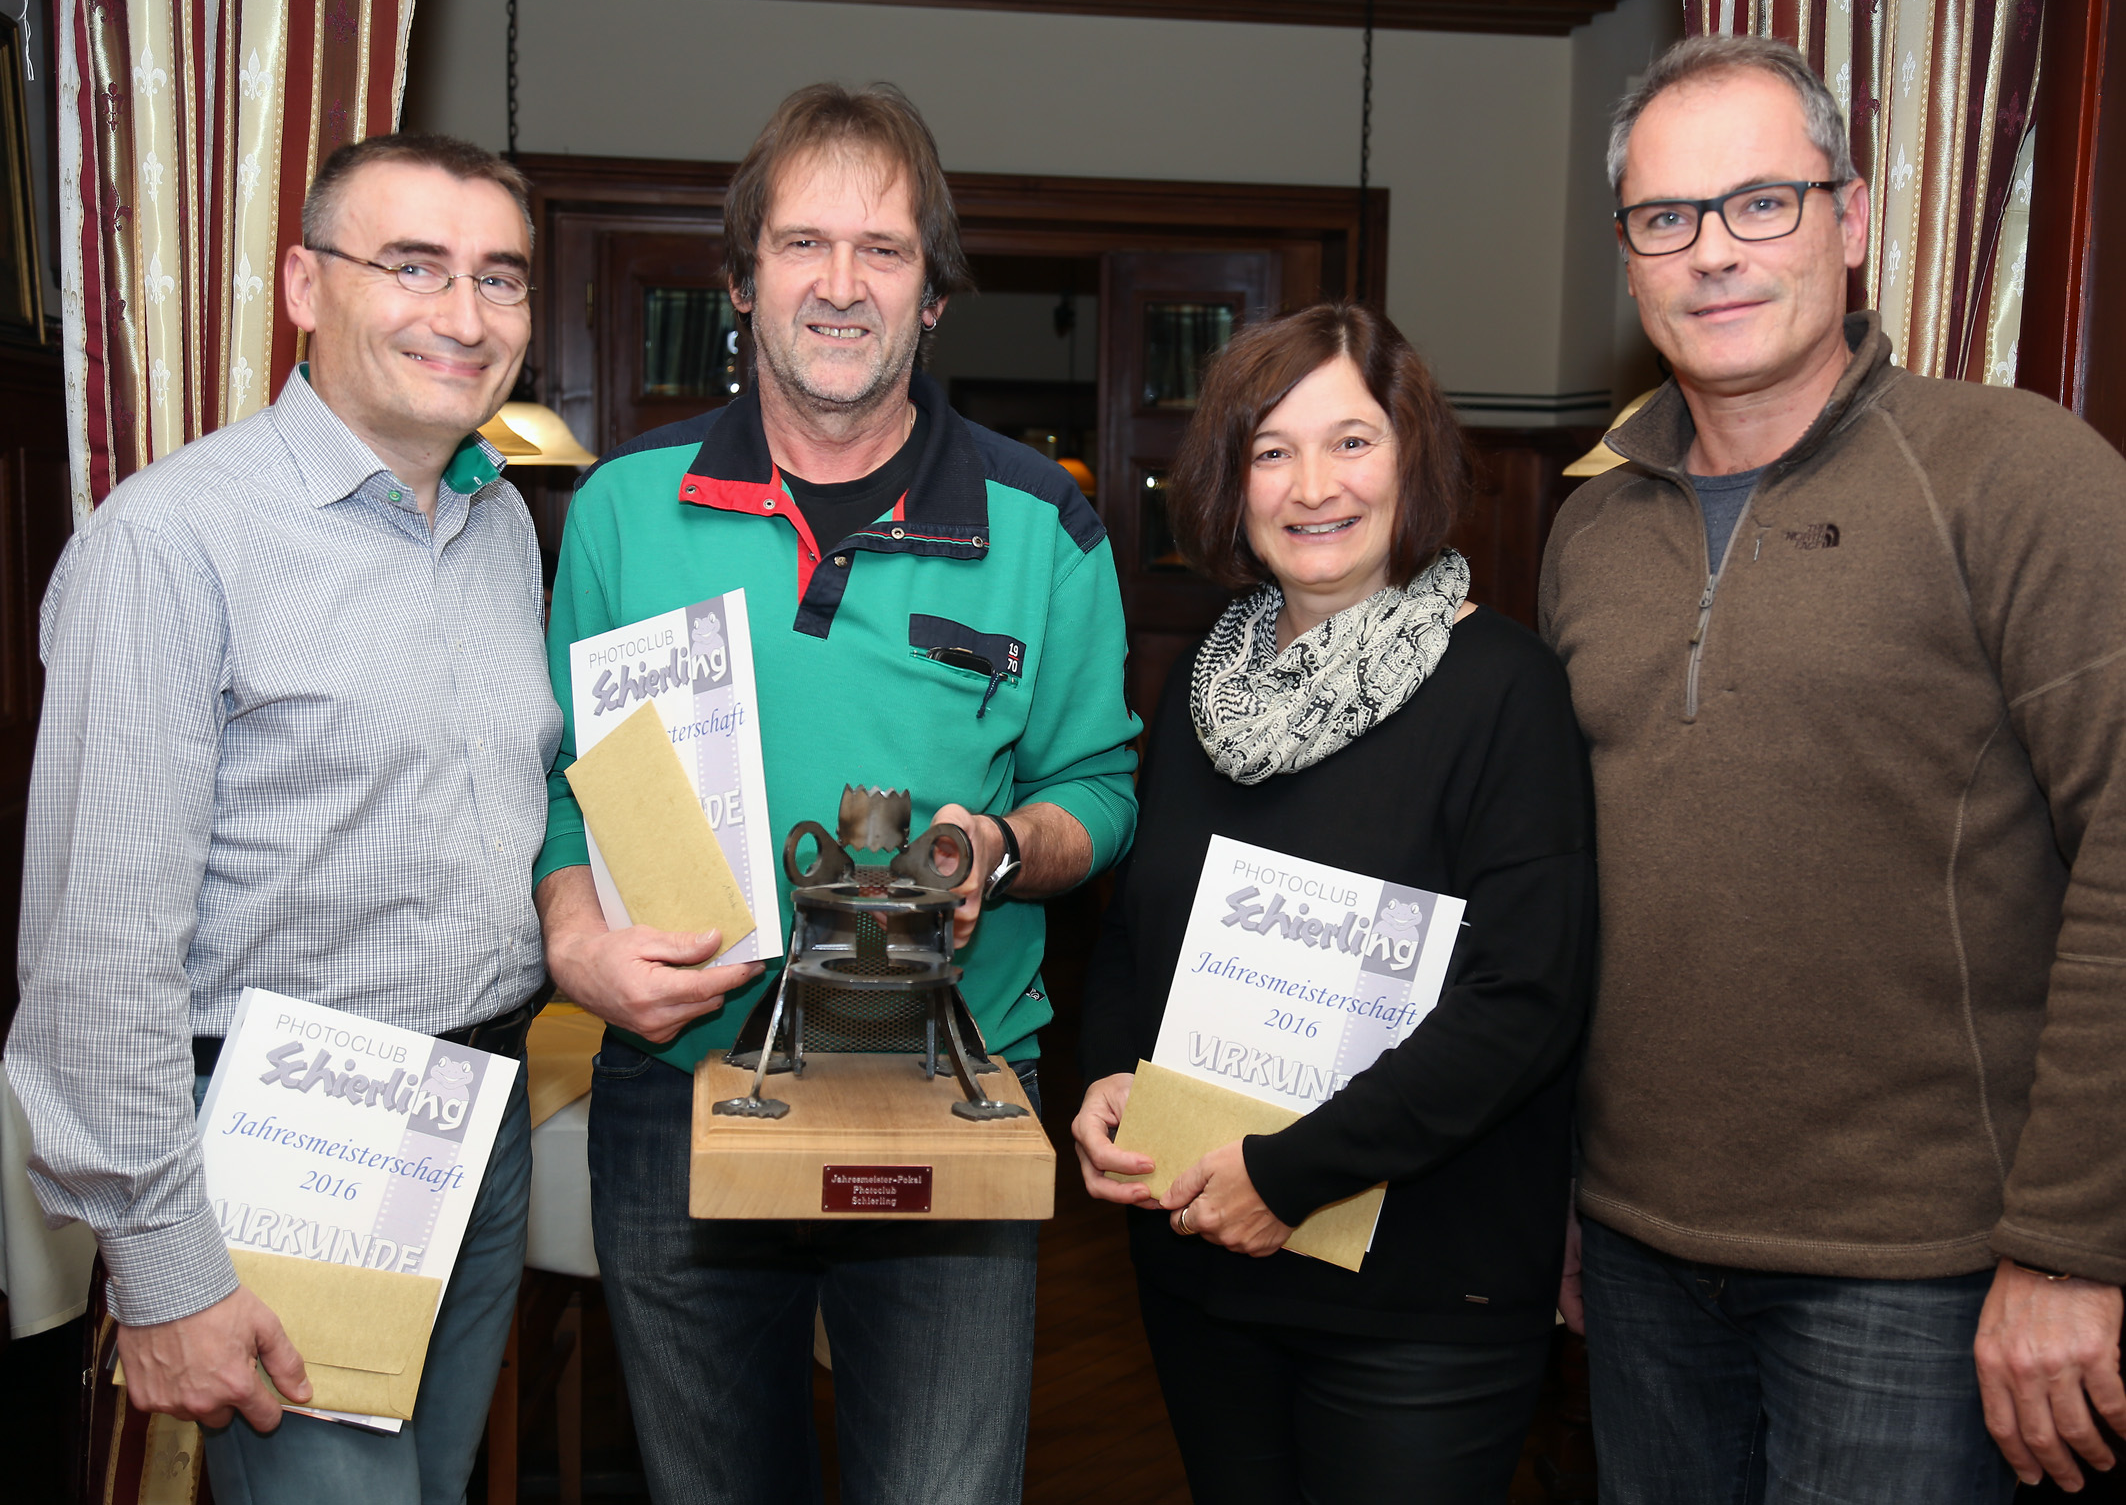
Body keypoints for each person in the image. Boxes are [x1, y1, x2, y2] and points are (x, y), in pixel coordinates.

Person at [533, 82, 1139, 1504]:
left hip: (946, 1086)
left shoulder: (1044, 526)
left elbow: (1099, 786)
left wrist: (1005, 843)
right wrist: (570, 937)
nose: (841, 283)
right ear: (742, 282)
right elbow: (568, 783)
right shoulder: (622, 507)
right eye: (802, 243)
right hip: (682, 1081)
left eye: (882, 248)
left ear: (934, 295)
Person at [1541, 34, 2126, 1503]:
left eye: (1760, 202)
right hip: (1636, 1248)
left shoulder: (2017, 474)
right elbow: (1569, 888)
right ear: (1628, 257)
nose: (1712, 252)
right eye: (1665, 217)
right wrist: (1559, 1185)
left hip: (1919, 1272)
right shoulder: (1588, 528)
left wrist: (2068, 1244)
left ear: (1849, 219)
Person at [3, 133, 628, 1503]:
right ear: (302, 284)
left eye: (499, 277)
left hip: (479, 1122)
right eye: (412, 265)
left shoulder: (496, 527)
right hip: (292, 1141)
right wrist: (165, 1270)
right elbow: (97, 955)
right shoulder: (169, 542)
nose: (463, 314)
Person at [1071, 301, 1596, 1503]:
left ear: (1412, 459)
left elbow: (1523, 998)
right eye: (1272, 450)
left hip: (1418, 1296)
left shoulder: (1504, 690)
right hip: (1205, 1266)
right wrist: (1107, 1072)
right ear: (1231, 484)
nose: (1313, 486)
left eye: (1351, 441)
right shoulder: (1203, 685)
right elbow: (1138, 929)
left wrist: (1292, 1173)